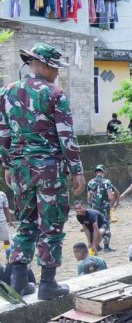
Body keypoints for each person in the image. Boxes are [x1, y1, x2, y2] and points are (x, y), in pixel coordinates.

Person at [0, 43, 86, 299]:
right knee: (52, 224)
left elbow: (3, 133)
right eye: (55, 68)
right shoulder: (55, 94)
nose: (57, 73)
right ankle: (48, 284)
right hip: (49, 170)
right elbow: (66, 137)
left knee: (25, 222)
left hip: (20, 171)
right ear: (45, 65)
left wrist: (7, 165)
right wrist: (77, 170)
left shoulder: (6, 92)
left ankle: (18, 281)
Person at [87, 165, 119, 252]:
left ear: (96, 172)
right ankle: (106, 247)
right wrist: (111, 202)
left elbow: (89, 198)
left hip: (94, 209)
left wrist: (92, 207)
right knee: (106, 226)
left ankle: (96, 246)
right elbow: (110, 197)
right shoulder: (106, 182)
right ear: (103, 172)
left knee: (96, 226)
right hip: (104, 209)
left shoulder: (90, 182)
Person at [0, 191, 11, 256]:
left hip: (2, 220)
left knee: (6, 239)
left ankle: (8, 255)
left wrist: (9, 220)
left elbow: (6, 208)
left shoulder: (2, 194)